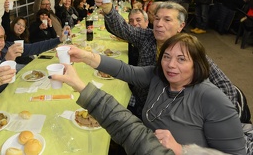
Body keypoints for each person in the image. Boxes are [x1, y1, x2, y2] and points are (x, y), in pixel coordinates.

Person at [50, 34, 245, 154]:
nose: (171, 65)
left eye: (181, 59)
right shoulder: (158, 77)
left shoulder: (212, 98)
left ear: (197, 64)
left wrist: (183, 151)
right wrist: (85, 56)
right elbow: (124, 70)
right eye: (166, 57)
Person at [95, 0, 238, 121]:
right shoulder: (147, 37)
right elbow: (123, 29)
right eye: (156, 19)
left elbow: (226, 88)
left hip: (171, 118)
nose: (159, 24)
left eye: (167, 20)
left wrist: (212, 121)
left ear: (181, 26)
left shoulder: (190, 51)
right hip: (141, 105)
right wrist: (108, 9)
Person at [0, 21, 68, 92]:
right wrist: (7, 60)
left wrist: (59, 40)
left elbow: (34, 47)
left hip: (17, 88)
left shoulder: (6, 46)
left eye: (1, 37)